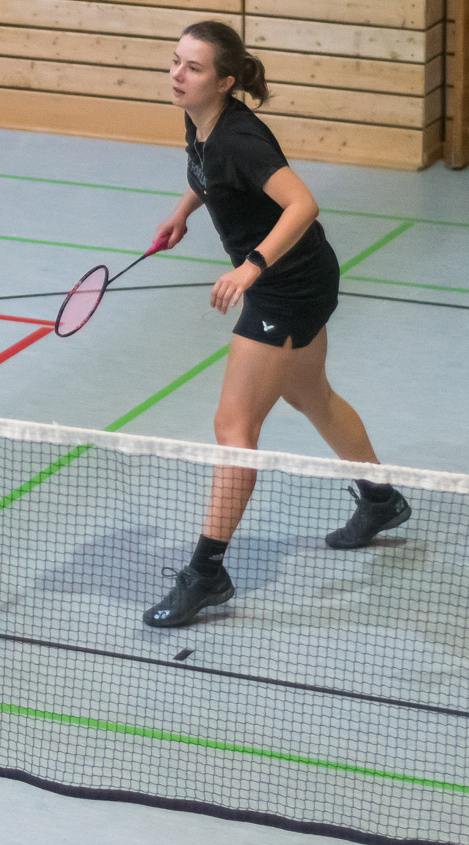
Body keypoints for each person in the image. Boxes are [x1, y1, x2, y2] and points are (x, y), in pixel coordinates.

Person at [143, 22, 410, 628]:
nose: (178, 75)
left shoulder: (241, 139)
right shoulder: (201, 119)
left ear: (225, 81)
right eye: (176, 61)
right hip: (300, 277)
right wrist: (184, 210)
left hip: (287, 287)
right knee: (310, 394)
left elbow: (303, 204)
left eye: (193, 67)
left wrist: (251, 266)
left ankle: (206, 573)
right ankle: (380, 499)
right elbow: (206, 170)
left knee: (234, 426)